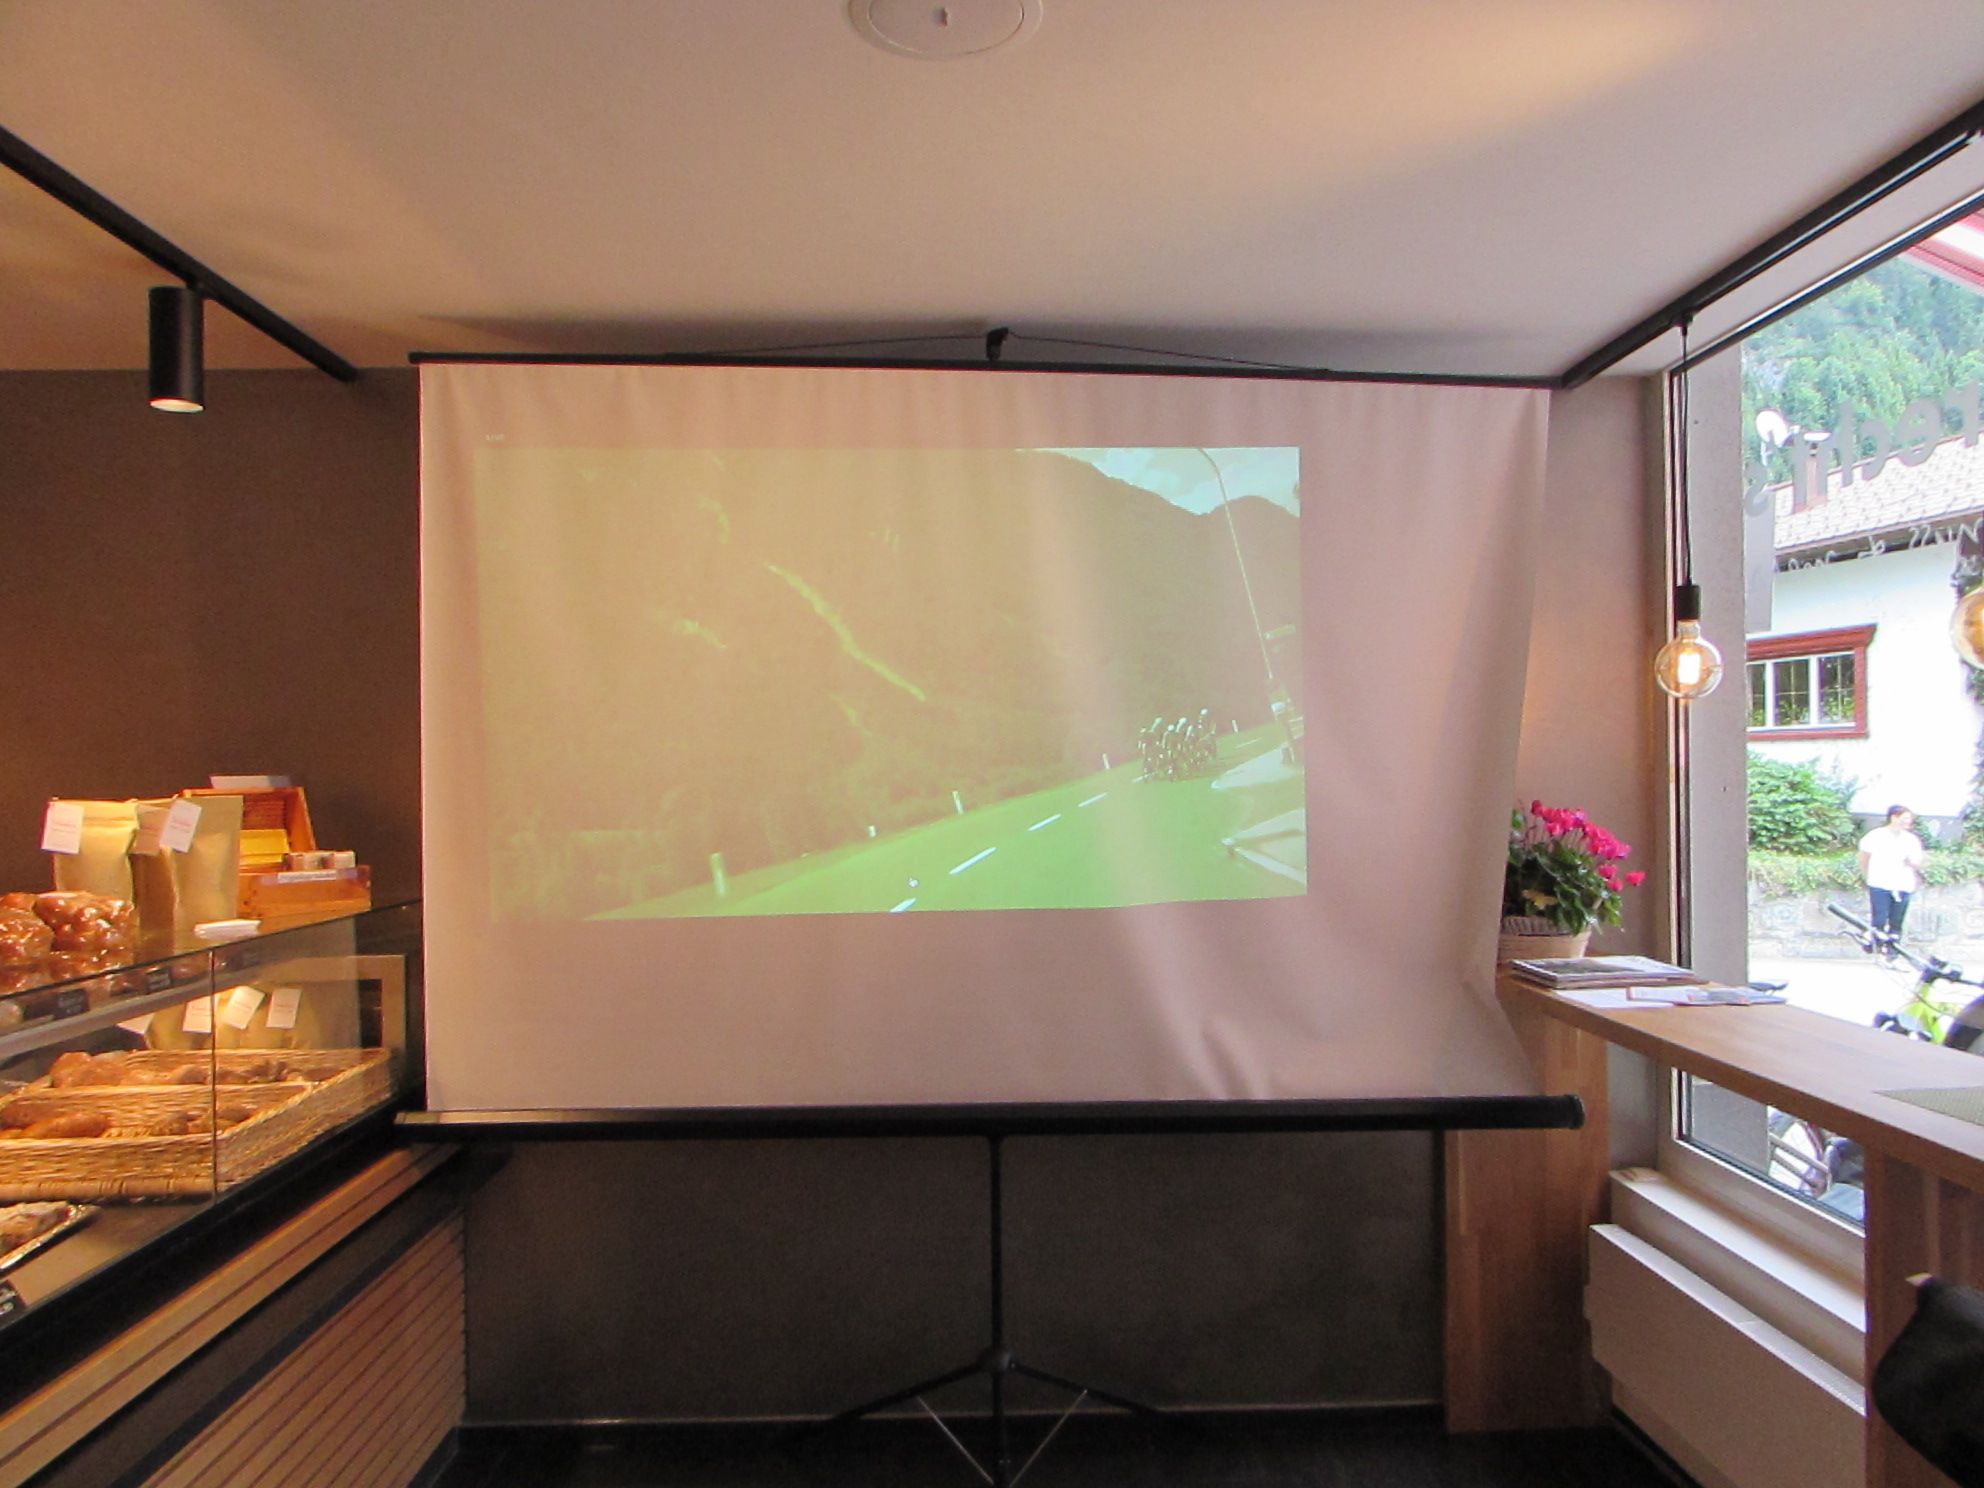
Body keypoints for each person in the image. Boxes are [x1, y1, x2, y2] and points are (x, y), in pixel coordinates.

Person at [1859, 805, 1928, 958]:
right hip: (1879, 883)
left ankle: (1892, 952)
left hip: (1903, 884)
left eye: (1909, 819)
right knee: (1879, 919)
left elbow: (1918, 861)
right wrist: (1867, 874)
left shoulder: (1911, 840)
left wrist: (1912, 863)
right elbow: (1864, 857)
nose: (1907, 822)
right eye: (1904, 818)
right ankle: (1876, 946)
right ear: (1893, 817)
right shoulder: (1876, 836)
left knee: (1896, 921)